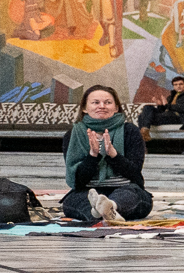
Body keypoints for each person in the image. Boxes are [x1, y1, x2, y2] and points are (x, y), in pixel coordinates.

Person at [63, 85, 153, 224]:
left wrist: (113, 155)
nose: (102, 106)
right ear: (85, 108)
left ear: (116, 108)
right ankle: (97, 211)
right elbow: (78, 181)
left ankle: (110, 207)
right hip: (88, 190)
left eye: (108, 102)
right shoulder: (73, 134)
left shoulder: (130, 131)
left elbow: (134, 173)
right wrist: (93, 156)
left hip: (124, 188)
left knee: (133, 195)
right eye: (95, 102)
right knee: (74, 200)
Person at [136, 74, 184, 139]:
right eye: (175, 85)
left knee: (142, 117)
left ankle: (143, 137)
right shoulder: (172, 96)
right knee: (147, 108)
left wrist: (167, 105)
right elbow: (164, 110)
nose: (178, 86)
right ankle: (145, 132)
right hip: (169, 116)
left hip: (180, 117)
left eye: (181, 84)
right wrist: (160, 105)